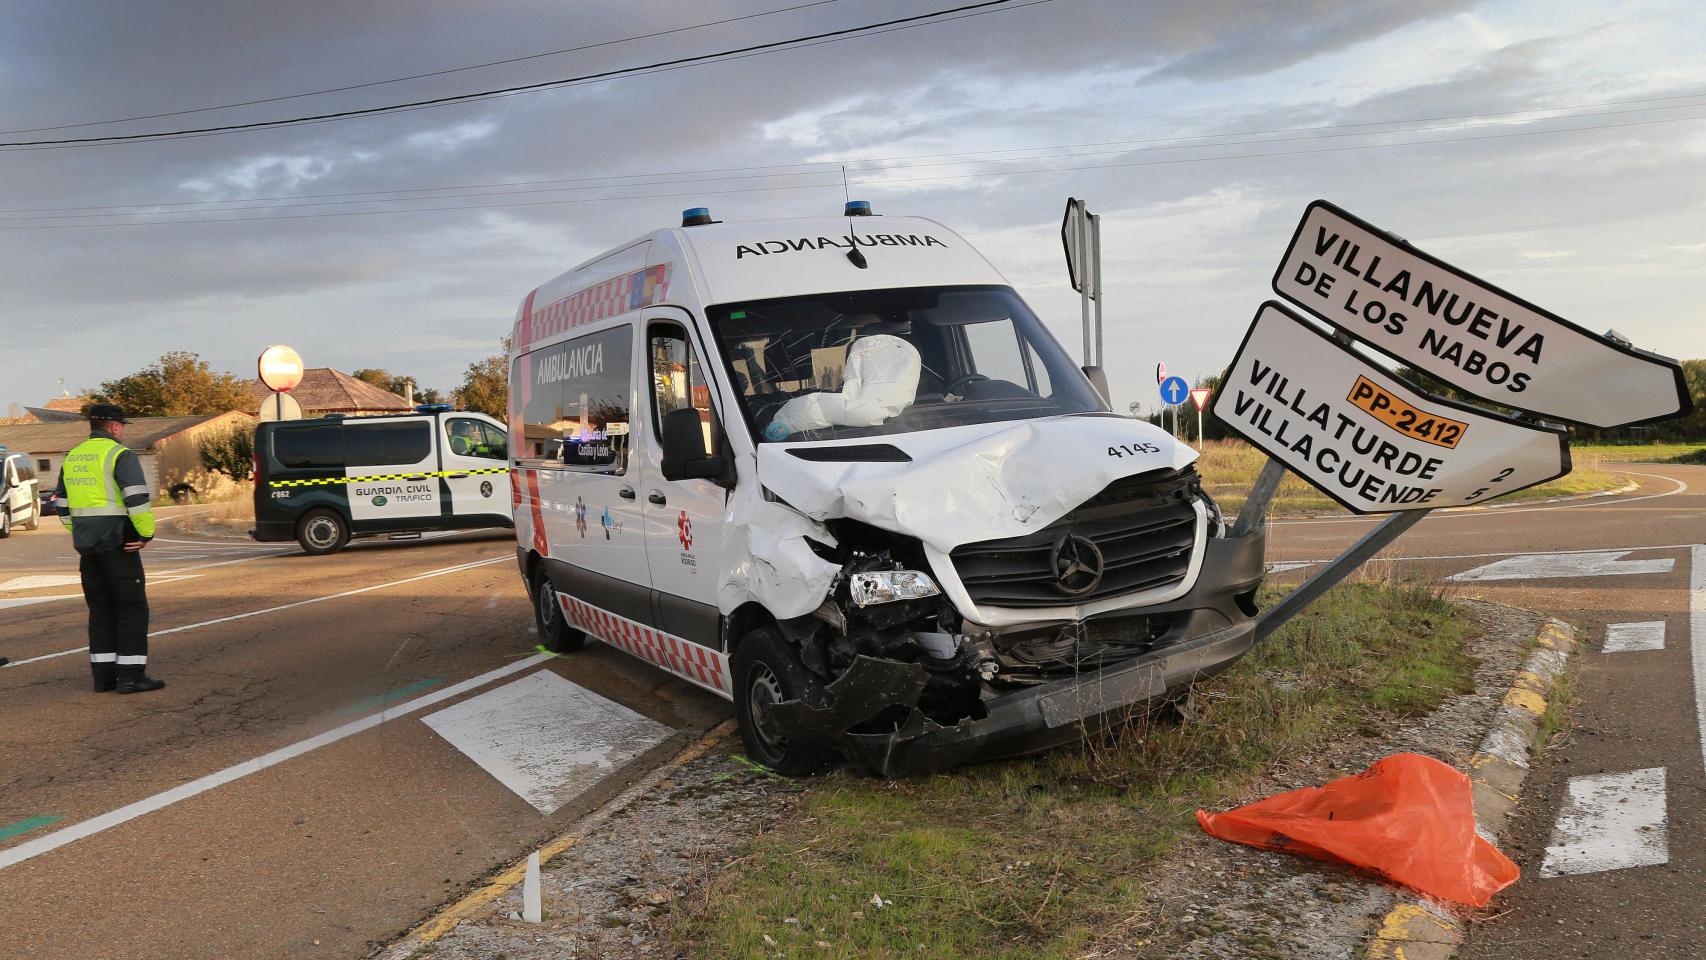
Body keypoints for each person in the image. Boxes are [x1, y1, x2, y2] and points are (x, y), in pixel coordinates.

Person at [50, 403, 164, 694]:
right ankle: (131, 677)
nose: (122, 431)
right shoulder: (119, 455)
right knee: (131, 608)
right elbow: (136, 499)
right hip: (119, 545)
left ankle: (103, 678)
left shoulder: (73, 456)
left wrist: (81, 532)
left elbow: (61, 505)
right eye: (122, 426)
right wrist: (145, 534)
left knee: (100, 611)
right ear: (114, 427)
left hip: (89, 548)